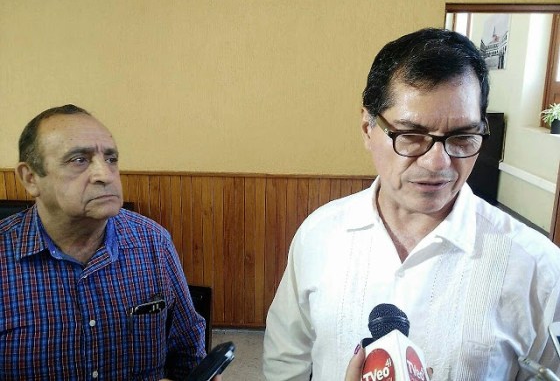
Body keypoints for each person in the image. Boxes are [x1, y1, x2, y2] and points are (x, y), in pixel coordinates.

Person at [263, 28, 560, 380]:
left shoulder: (538, 267)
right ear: (367, 127)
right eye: (411, 135)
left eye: (462, 137)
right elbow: (286, 360)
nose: (437, 163)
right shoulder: (320, 235)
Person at [0, 104, 215, 380]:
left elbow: (188, 353)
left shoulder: (153, 241)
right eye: (79, 160)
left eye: (111, 159)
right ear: (30, 178)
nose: (105, 174)